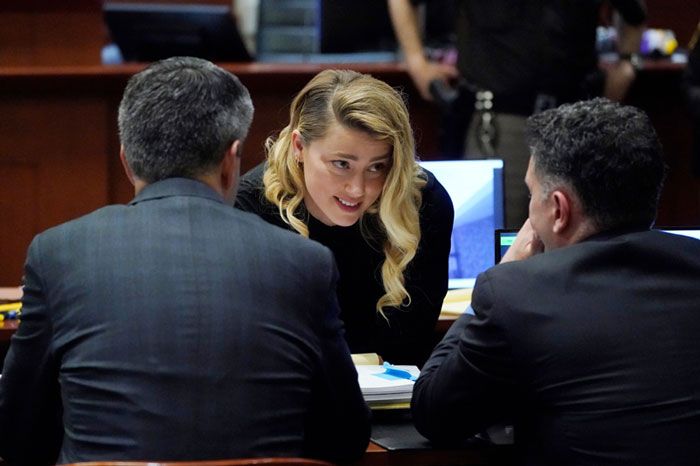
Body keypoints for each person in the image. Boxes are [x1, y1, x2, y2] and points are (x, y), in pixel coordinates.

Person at [0, 57, 370, 465]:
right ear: (231, 160)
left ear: (126, 161)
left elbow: (17, 435)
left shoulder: (57, 253)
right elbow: (345, 438)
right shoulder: (306, 263)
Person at [412, 98, 700, 464]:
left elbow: (435, 414)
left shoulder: (516, 294)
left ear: (559, 210)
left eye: (532, 194)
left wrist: (504, 270)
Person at [235, 69, 453, 366]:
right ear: (299, 147)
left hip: (395, 388)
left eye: (377, 167)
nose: (357, 189)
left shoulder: (423, 203)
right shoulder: (248, 210)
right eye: (341, 164)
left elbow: (411, 344)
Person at [388, 0, 647, 228]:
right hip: (501, 121)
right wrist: (415, 61)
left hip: (577, 118)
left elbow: (634, 13)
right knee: (501, 237)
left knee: (578, 234)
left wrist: (628, 61)